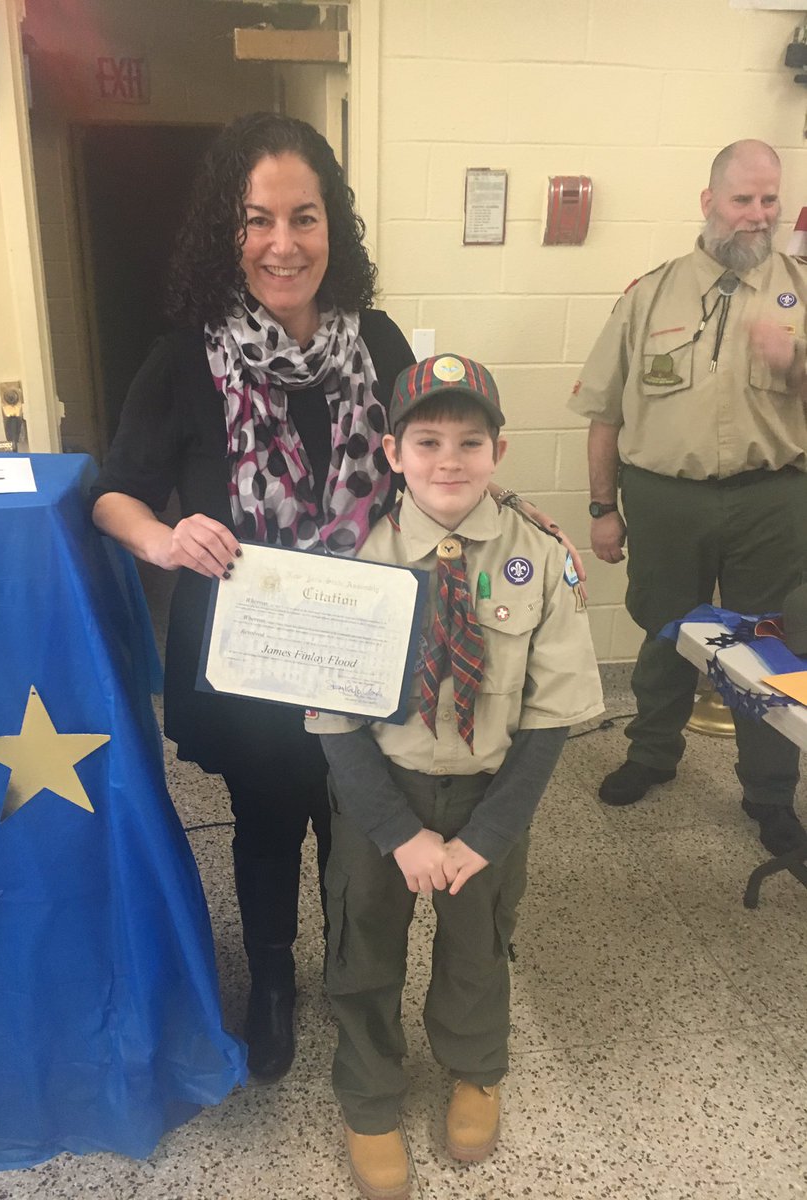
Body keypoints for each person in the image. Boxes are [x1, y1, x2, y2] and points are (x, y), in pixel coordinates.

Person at [91, 112, 584, 1085]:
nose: (283, 243)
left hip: (373, 640)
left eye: (304, 218)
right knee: (268, 816)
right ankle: (274, 980)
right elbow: (116, 493)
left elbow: (438, 462)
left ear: (333, 227)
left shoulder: (379, 340)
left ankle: (352, 967)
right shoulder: (185, 358)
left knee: (355, 816)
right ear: (228, 231)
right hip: (253, 646)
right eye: (258, 219)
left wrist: (523, 515)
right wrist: (162, 538)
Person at [308, 355, 602, 1199]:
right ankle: (369, 1096)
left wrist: (488, 835)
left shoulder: (541, 555)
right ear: (392, 453)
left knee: (480, 943)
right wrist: (397, 833)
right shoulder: (350, 555)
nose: (449, 460)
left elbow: (549, 717)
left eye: (470, 442)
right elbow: (333, 721)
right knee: (363, 942)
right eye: (427, 441)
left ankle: (476, 1069)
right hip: (380, 794)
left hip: (487, 795)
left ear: (498, 452)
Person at [569, 138, 807, 856]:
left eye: (770, 199)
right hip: (665, 500)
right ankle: (651, 755)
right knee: (666, 633)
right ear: (709, 202)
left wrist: (797, 363)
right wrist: (602, 510)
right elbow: (604, 414)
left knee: (769, 646)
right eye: (743, 199)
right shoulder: (649, 295)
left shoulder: (802, 291)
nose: (758, 214)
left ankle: (770, 793)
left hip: (772, 500)